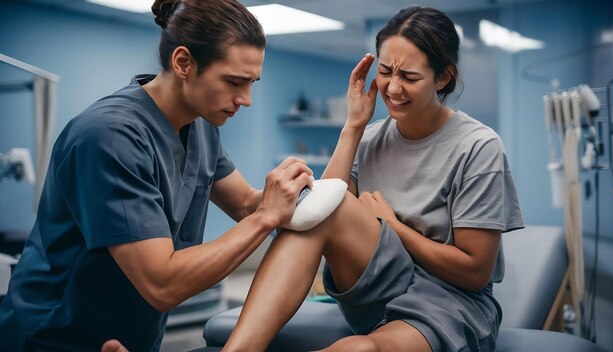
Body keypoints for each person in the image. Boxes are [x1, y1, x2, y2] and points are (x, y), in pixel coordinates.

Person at [0, 0, 314, 351]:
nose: (246, 99)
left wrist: (289, 195)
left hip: (133, 335)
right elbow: (161, 283)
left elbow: (244, 203)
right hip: (55, 337)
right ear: (183, 63)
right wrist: (266, 217)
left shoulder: (201, 126)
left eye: (252, 82)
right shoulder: (110, 136)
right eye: (233, 82)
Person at [223, 6, 524, 352]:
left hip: (448, 302)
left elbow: (474, 273)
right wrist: (353, 127)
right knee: (326, 207)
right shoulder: (370, 137)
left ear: (443, 77)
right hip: (379, 287)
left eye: (409, 77)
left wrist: (394, 227)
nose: (393, 88)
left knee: (362, 349)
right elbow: (316, 214)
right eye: (385, 72)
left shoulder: (478, 147)